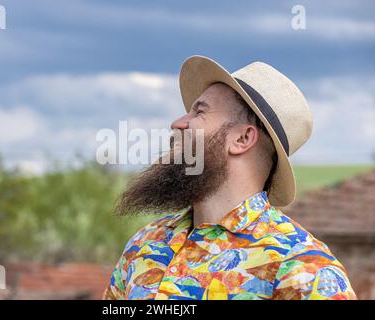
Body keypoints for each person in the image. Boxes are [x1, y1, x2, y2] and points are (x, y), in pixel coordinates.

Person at [103, 55, 357, 300]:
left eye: (199, 113)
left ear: (242, 139)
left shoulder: (303, 267)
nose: (178, 123)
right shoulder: (145, 245)